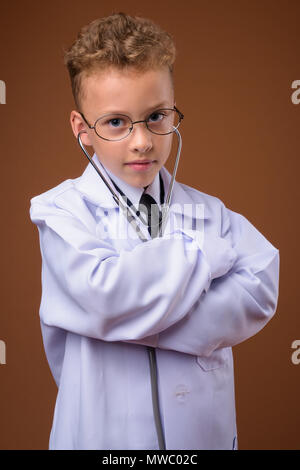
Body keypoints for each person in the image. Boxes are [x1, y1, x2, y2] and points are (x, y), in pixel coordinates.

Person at [29, 12, 280, 450]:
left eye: (156, 116)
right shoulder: (61, 213)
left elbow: (261, 282)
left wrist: (143, 325)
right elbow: (107, 294)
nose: (142, 141)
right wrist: (200, 255)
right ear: (81, 130)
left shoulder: (208, 211)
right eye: (115, 122)